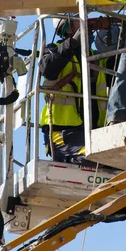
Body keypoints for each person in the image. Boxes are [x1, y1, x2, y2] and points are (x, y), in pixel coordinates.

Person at [39, 14, 118, 166]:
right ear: (68, 29)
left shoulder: (94, 58)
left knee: (121, 158)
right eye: (79, 21)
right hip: (63, 136)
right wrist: (74, 42)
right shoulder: (53, 50)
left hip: (92, 133)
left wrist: (121, 31)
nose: (87, 25)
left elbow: (117, 70)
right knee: (96, 158)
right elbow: (47, 69)